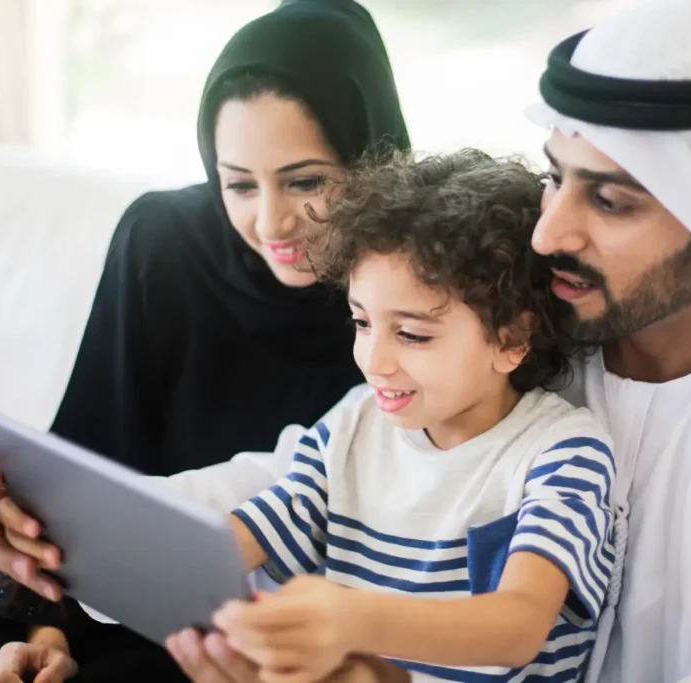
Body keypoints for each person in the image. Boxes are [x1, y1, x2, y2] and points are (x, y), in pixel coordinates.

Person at [0, 1, 691, 682]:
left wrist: (361, 647)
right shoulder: (546, 314)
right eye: (555, 176)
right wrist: (62, 532)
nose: (548, 232)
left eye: (610, 198)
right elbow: (271, 487)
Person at [0, 1, 409, 682]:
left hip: (273, 633)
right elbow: (93, 459)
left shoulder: (416, 287)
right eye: (238, 184)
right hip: (102, 598)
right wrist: (47, 634)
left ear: (370, 157)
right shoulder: (167, 242)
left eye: (306, 181)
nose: (270, 222)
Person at [167, 149, 617, 683]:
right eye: (361, 322)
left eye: (411, 333)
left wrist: (350, 620)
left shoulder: (563, 452)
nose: (374, 361)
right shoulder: (351, 430)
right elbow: (237, 540)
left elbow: (518, 626)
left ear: (511, 339)